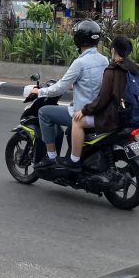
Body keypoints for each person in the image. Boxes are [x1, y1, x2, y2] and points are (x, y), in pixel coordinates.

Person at [31, 19, 108, 169]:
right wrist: (78, 86)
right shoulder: (104, 59)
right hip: (98, 110)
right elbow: (95, 83)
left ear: (77, 39)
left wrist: (40, 91)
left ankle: (51, 157)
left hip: (81, 112)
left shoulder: (80, 63)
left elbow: (60, 88)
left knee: (43, 112)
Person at [68, 35, 136, 167]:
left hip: (113, 117)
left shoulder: (112, 70)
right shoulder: (134, 69)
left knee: (76, 121)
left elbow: (102, 99)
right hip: (129, 115)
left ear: (114, 50)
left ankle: (74, 161)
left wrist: (84, 110)